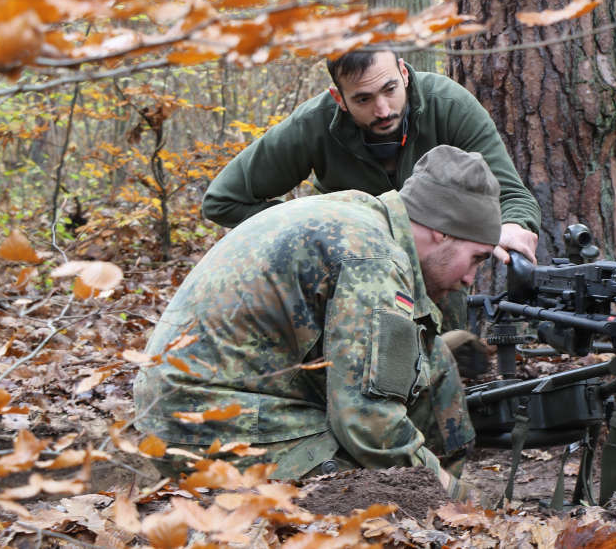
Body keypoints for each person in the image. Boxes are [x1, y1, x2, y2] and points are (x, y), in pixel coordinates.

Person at [133, 145, 504, 501]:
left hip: (191, 406)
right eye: (475, 258)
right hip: (202, 427)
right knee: (369, 491)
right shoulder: (374, 258)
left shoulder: (359, 216)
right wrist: (453, 497)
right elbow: (369, 424)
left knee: (433, 356)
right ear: (443, 232)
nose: (471, 278)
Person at [201, 49, 541, 266]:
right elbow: (223, 201)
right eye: (363, 99)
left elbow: (511, 195)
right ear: (339, 98)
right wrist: (319, 232)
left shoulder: (448, 105)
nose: (382, 110)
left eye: (390, 90)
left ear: (404, 73)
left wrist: (514, 226)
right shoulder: (313, 124)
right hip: (348, 266)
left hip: (433, 262)